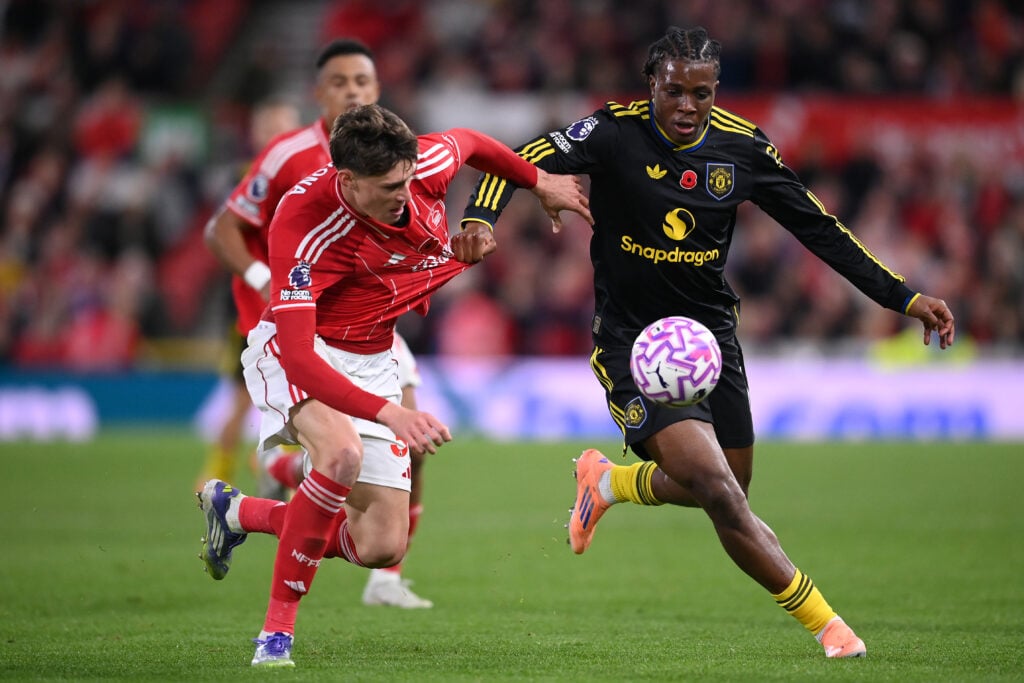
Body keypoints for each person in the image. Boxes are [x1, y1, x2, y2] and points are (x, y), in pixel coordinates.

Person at [461, 26, 955, 660]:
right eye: (674, 91)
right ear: (652, 84)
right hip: (634, 344)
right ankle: (831, 628)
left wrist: (902, 297)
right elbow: (520, 155)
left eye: (702, 93)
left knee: (731, 486)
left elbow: (820, 228)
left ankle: (609, 483)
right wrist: (480, 217)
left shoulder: (742, 147)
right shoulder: (613, 132)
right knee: (719, 490)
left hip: (709, 341)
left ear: (716, 90)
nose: (688, 106)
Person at [197, 103, 592, 667]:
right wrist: (391, 414)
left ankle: (239, 513)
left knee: (382, 545)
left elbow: (471, 140)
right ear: (347, 180)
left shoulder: (421, 164)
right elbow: (302, 358)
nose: (404, 195)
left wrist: (538, 182)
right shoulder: (301, 223)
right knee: (341, 457)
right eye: (388, 187)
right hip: (299, 351)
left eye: (406, 180)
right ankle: (275, 635)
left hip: (375, 352)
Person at [200, 38, 432, 608]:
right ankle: (281, 609)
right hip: (298, 327)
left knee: (414, 441)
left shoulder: (396, 157)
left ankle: (376, 564)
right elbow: (222, 229)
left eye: (363, 82)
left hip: (371, 326)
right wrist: (263, 280)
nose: (353, 91)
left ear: (377, 90)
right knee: (339, 449)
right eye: (340, 82)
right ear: (319, 93)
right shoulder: (286, 156)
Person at [195, 97, 301, 493]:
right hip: (253, 306)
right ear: (255, 135)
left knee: (294, 393)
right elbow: (222, 234)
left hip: (295, 299)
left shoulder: (307, 173)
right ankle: (220, 470)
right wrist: (258, 276)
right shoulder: (244, 180)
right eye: (269, 128)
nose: (277, 136)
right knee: (244, 397)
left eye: (284, 128)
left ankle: (275, 465)